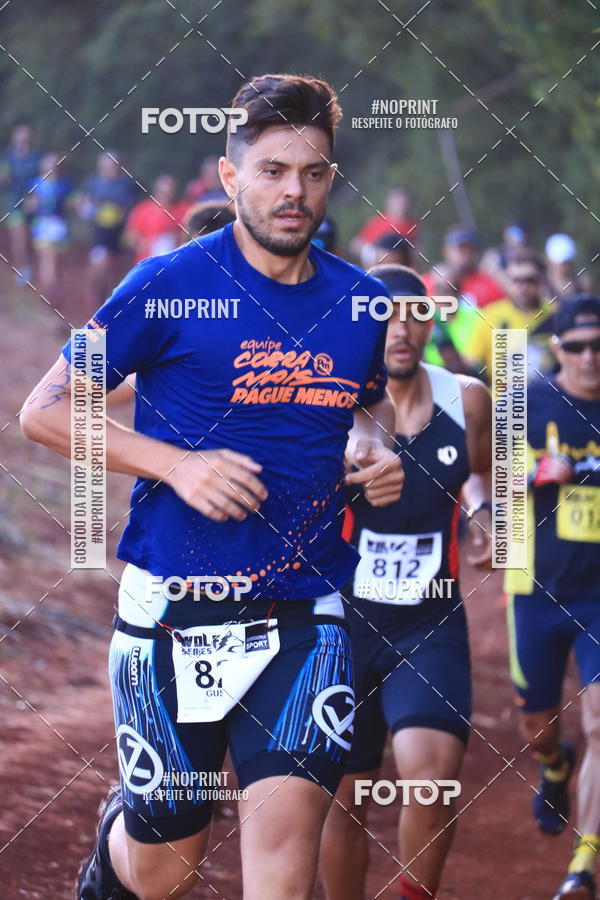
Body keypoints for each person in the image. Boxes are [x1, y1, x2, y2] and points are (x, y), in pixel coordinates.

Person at [21, 73, 405, 900]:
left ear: (331, 179)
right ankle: (117, 854)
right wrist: (177, 464)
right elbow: (45, 411)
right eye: (272, 170)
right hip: (173, 613)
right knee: (166, 871)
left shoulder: (362, 303)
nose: (293, 191)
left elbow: (365, 411)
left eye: (312, 172)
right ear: (230, 176)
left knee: (284, 867)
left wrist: (372, 449)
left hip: (303, 615)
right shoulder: (166, 283)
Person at [320, 264, 493, 900]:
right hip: (342, 622)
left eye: (414, 315)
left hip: (429, 618)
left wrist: (484, 512)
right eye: (383, 317)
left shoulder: (467, 398)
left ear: (431, 324)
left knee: (433, 780)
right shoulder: (331, 404)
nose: (399, 329)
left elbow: (484, 470)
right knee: (346, 798)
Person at [504, 297, 600, 899]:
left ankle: (583, 864)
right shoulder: (527, 402)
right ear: (558, 348)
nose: (591, 357)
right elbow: (492, 484)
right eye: (578, 346)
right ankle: (555, 763)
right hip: (537, 590)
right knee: (536, 728)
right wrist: (536, 474)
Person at [466, 253, 555, 381]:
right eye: (516, 280)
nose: (523, 287)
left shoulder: (555, 314)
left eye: (529, 280)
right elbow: (471, 362)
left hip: (546, 391)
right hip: (502, 393)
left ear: (542, 281)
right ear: (507, 282)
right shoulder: (490, 316)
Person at [77, 151, 138, 307]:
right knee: (98, 270)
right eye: (106, 166)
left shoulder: (127, 186)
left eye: (114, 166)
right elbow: (83, 205)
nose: (110, 170)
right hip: (100, 235)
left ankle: (106, 307)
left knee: (114, 275)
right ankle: (92, 304)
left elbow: (133, 210)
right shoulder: (93, 184)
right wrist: (87, 212)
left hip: (119, 236)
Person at [423, 226, 505, 309]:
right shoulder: (427, 283)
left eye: (470, 248)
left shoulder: (489, 286)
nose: (465, 253)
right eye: (459, 248)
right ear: (445, 250)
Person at [27, 152, 74, 297]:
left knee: (58, 262)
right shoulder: (36, 183)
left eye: (56, 164)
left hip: (59, 225)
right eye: (49, 163)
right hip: (42, 224)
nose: (53, 167)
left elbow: (72, 204)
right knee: (48, 258)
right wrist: (34, 204)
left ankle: (55, 291)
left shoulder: (65, 184)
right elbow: (29, 205)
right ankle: (48, 292)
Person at [0, 123, 41, 283]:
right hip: (14, 203)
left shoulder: (36, 157)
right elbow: (3, 180)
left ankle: (34, 267)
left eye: (25, 138)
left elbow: (43, 178)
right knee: (19, 239)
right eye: (20, 138)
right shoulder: (8, 158)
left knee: (32, 240)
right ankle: (22, 269)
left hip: (34, 203)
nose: (22, 141)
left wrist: (36, 197)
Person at [124, 174, 188, 263]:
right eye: (163, 193)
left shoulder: (183, 211)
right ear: (156, 190)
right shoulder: (143, 209)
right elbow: (130, 237)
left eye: (170, 192)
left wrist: (176, 241)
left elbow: (190, 236)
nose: (166, 196)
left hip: (173, 262)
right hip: (147, 262)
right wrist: (142, 244)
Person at [351, 187, 419, 264]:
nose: (401, 206)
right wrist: (374, 254)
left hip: (402, 267)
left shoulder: (412, 224)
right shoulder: (377, 222)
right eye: (397, 202)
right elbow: (355, 244)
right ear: (388, 203)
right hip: (379, 267)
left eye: (404, 202)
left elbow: (416, 249)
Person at [545, 233, 592, 303]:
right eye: (561, 262)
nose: (564, 265)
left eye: (567, 262)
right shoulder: (541, 287)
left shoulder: (583, 284)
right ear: (548, 259)